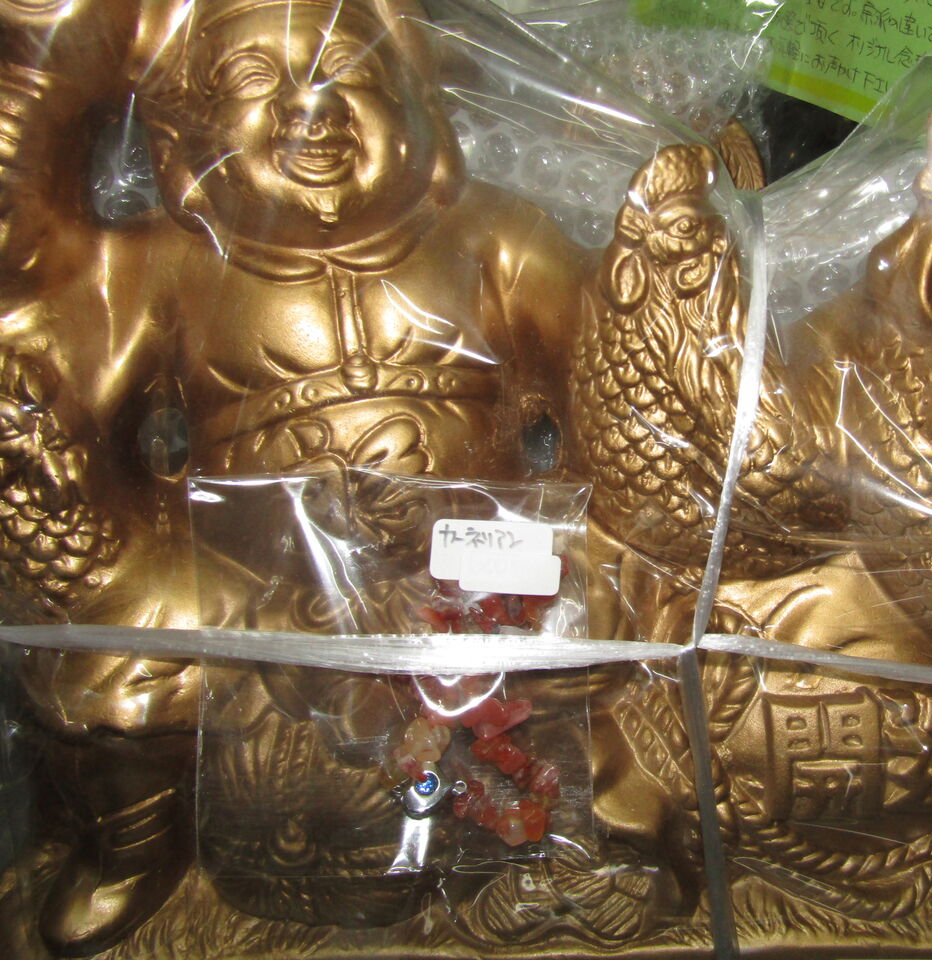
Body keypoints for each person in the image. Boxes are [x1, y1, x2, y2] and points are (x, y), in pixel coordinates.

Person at [0, 0, 590, 952]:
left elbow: (602, 393)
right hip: (248, 591)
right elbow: (60, 379)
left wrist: (565, 541)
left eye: (347, 69)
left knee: (599, 623)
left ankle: (546, 825)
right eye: (252, 80)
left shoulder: (499, 241)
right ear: (180, 140)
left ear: (419, 107)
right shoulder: (166, 270)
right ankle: (136, 845)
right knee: (111, 662)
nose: (309, 107)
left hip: (473, 577)